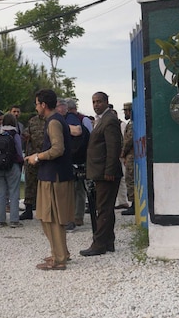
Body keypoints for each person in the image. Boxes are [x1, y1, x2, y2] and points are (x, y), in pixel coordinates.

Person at [24, 89, 73, 271]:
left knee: (50, 218)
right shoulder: (57, 120)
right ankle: (61, 253)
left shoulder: (53, 122)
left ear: (43, 104)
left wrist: (37, 157)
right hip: (54, 175)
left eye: (37, 104)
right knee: (51, 217)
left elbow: (57, 149)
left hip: (53, 177)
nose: (36, 107)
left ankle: (58, 259)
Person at [80, 91, 124, 257]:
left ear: (106, 102)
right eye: (93, 102)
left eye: (99, 101)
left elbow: (114, 148)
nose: (96, 104)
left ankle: (98, 244)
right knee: (106, 209)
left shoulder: (109, 120)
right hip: (100, 172)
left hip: (106, 173)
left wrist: (109, 171)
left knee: (103, 209)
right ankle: (108, 242)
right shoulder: (100, 121)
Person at [64, 98, 91, 231]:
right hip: (77, 158)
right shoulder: (80, 119)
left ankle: (77, 216)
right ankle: (75, 216)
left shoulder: (79, 120)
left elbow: (83, 134)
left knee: (78, 188)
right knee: (76, 188)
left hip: (78, 158)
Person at [0, 113, 24, 228]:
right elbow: (19, 152)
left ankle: (0, 220)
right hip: (12, 165)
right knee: (14, 192)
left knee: (0, 193)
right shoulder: (15, 135)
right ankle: (14, 220)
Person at [19, 111, 45, 221]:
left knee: (45, 186)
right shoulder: (33, 121)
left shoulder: (51, 120)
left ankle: (44, 212)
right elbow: (25, 134)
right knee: (30, 184)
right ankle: (28, 210)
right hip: (32, 156)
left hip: (45, 157)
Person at [120, 101, 136, 216]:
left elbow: (128, 140)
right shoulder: (131, 123)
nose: (125, 113)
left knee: (130, 179)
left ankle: (134, 204)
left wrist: (123, 153)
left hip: (131, 155)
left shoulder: (132, 124)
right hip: (130, 155)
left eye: (126, 110)